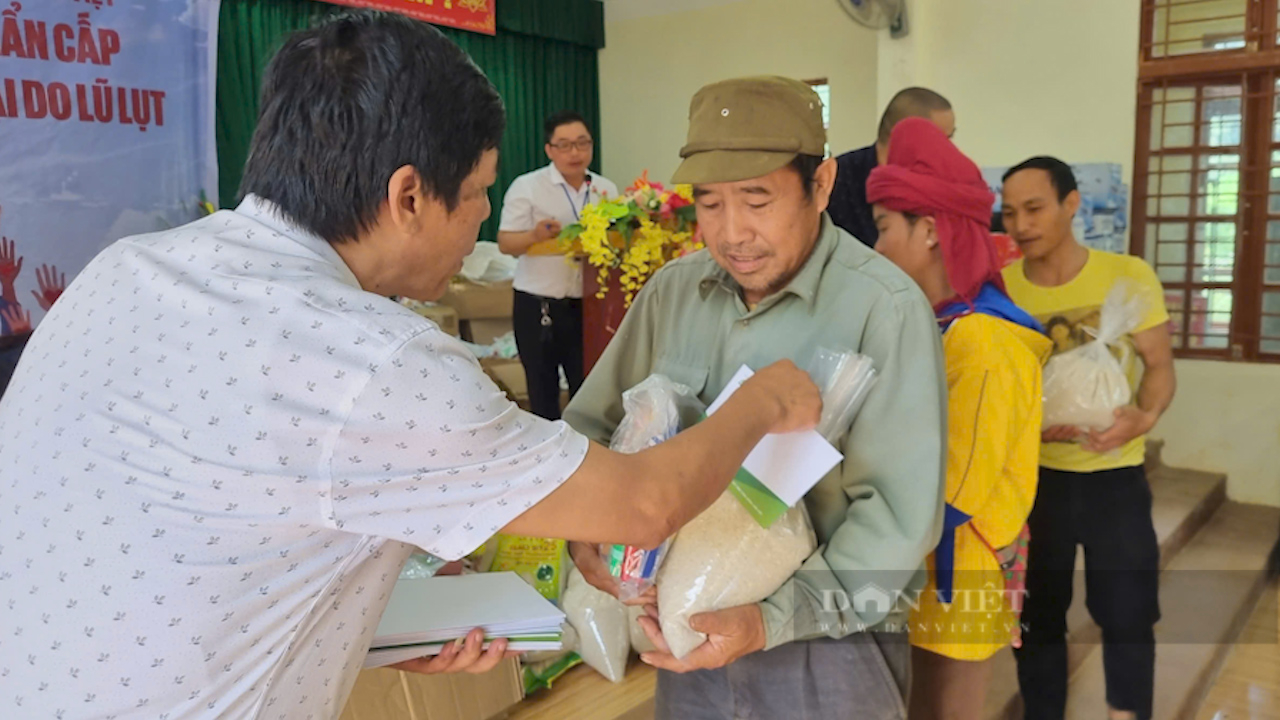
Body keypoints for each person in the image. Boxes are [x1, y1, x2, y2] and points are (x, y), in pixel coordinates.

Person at [0, 15, 824, 719]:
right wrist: (766, 403)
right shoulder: (372, 361)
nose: (482, 224)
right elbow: (646, 504)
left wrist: (363, 626)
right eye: (478, 194)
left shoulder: (127, 269)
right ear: (408, 197)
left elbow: (178, 540)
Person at [565, 76, 947, 720]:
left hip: (829, 642)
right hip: (684, 622)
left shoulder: (883, 309)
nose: (732, 233)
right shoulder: (673, 292)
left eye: (757, 200)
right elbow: (591, 427)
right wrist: (584, 531)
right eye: (709, 204)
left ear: (821, 185)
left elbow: (897, 519)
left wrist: (771, 620)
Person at [867, 117, 1050, 720]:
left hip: (959, 571)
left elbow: (956, 486)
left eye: (882, 228)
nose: (876, 248)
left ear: (928, 231)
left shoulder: (981, 340)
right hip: (935, 565)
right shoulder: (947, 327)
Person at [1001, 156, 1176, 720]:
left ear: (1070, 204)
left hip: (1115, 478)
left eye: (1034, 208)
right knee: (1037, 618)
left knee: (1128, 615)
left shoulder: (1125, 275)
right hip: (1034, 484)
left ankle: (1129, 712)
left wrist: (1144, 418)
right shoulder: (1001, 289)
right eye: (1009, 213)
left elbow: (1159, 365)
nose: (1021, 224)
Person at [497, 111, 619, 420]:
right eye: (564, 145)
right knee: (542, 391)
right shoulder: (527, 187)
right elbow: (506, 243)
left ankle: (586, 456)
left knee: (588, 388)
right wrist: (535, 235)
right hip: (538, 306)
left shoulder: (606, 190)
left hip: (588, 306)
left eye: (582, 143)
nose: (574, 153)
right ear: (549, 150)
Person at [827, 87, 955, 248]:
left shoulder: (942, 185)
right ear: (905, 135)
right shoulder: (837, 180)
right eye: (941, 140)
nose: (949, 151)